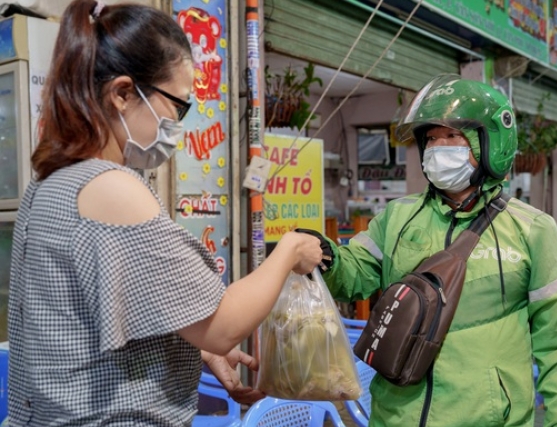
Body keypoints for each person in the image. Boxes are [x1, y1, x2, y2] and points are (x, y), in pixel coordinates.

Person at [8, 1, 322, 425]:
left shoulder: (49, 183)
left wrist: (191, 344)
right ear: (121, 93)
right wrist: (288, 250)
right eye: (178, 105)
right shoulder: (112, 188)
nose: (178, 123)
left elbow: (96, 314)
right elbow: (224, 323)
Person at [300, 75, 557, 426]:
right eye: (431, 138)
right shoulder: (398, 216)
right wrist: (325, 256)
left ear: (491, 142)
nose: (439, 148)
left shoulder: (532, 229)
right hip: (396, 416)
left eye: (453, 136)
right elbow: (354, 273)